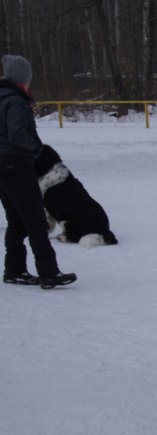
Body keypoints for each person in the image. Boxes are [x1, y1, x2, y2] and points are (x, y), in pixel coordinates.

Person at [0, 54, 76, 289]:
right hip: (16, 165)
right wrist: (37, 148)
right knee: (34, 221)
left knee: (16, 220)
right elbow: (19, 135)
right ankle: (49, 272)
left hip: (2, 166)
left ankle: (14, 270)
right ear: (23, 79)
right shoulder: (16, 101)